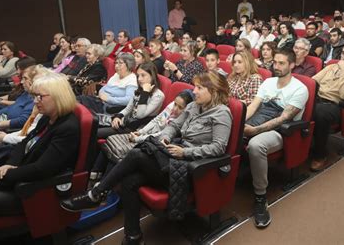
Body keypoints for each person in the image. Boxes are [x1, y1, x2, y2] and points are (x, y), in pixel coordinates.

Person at [61, 72, 232, 245]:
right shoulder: (194, 106)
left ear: (214, 91)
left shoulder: (222, 114)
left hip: (190, 167)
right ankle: (133, 237)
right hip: (172, 157)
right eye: (195, 86)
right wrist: (165, 136)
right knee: (129, 181)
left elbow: (218, 148)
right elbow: (173, 125)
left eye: (199, 88)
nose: (194, 91)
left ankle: (96, 194)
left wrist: (185, 152)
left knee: (136, 154)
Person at [0, 72, 80, 216]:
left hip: (29, 189)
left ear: (58, 96)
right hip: (19, 173)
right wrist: (10, 163)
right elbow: (24, 143)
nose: (35, 101)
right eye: (34, 96)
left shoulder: (67, 128)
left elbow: (42, 169)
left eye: (40, 97)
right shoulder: (48, 117)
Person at [244, 49, 308, 228]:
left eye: (281, 63)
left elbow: (283, 119)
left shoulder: (300, 89)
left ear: (292, 65)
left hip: (281, 131)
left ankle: (260, 197)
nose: (276, 66)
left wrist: (254, 130)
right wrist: (240, 123)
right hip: (259, 119)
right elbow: (253, 106)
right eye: (275, 62)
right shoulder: (269, 82)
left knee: (256, 145)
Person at [88, 90, 194, 182]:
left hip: (152, 142)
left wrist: (138, 138)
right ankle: (95, 173)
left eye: (180, 107)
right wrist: (141, 132)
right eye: (175, 104)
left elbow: (160, 134)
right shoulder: (171, 106)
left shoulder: (182, 121)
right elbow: (156, 119)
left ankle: (104, 183)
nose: (175, 109)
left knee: (118, 150)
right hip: (143, 133)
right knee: (111, 140)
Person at [96, 62, 164, 139]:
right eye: (138, 76)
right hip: (126, 122)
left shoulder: (158, 95)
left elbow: (140, 115)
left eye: (143, 75)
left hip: (137, 129)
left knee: (97, 132)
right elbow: (128, 108)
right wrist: (118, 116)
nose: (139, 79)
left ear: (152, 76)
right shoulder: (140, 90)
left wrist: (145, 93)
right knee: (93, 125)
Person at [0, 65, 35, 132]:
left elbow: (22, 120)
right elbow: (11, 106)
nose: (22, 82)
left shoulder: (34, 99)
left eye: (25, 78)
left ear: (34, 80)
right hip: (2, 122)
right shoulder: (26, 93)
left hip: (9, 130)